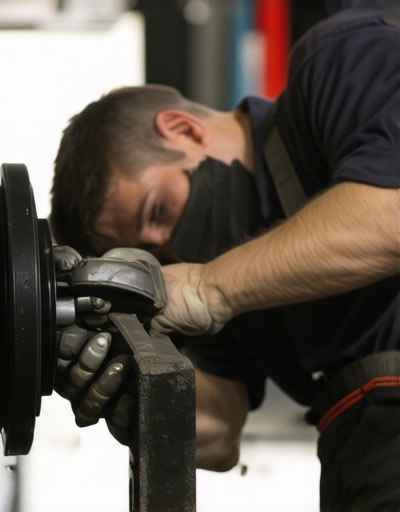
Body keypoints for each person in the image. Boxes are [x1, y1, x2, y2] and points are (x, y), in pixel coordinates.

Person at [50, 1, 400, 510]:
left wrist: (208, 288)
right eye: (151, 254)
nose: (170, 253)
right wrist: (135, 392)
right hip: (358, 466)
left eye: (159, 210)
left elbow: (389, 214)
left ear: (183, 130)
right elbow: (220, 432)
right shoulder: (225, 273)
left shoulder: (339, 60)